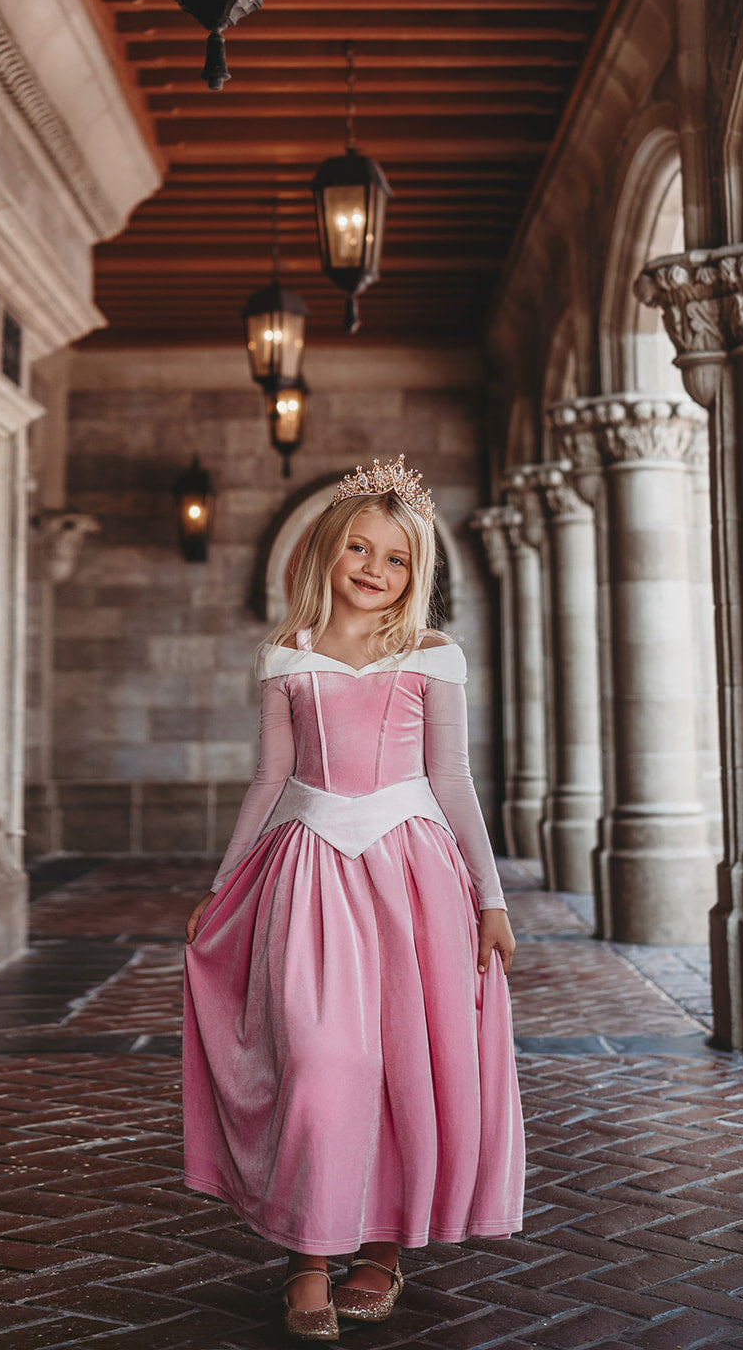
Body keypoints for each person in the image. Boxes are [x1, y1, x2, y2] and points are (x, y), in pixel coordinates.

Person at [181, 457, 524, 1342]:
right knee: (322, 1059)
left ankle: (381, 1247)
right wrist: (222, 885)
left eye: (399, 559)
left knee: (399, 1065)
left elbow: (453, 780)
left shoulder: (431, 656)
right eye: (361, 549)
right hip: (311, 873)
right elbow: (269, 778)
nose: (375, 569)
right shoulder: (288, 656)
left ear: (417, 574)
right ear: (328, 551)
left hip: (414, 881)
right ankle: (307, 1254)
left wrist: (492, 897)